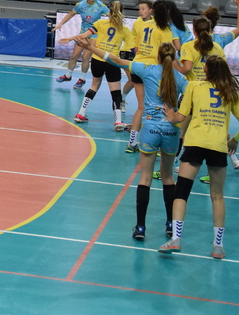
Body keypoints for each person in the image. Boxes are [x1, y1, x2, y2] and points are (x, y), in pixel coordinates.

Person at [76, 37, 187, 241]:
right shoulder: (181, 79)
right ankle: (170, 224)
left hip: (150, 129)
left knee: (145, 178)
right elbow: (189, 106)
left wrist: (91, 48)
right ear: (174, 58)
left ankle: (141, 227)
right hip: (171, 131)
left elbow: (116, 60)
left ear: (158, 56)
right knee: (168, 177)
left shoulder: (147, 69)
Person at [159, 56, 239, 259]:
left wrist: (171, 116)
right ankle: (218, 246)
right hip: (218, 147)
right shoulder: (230, 92)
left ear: (207, 70)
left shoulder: (193, 86)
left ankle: (176, 239)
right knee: (217, 197)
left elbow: (180, 118)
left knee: (181, 193)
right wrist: (234, 141)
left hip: (195, 145)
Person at [60, 0, 134, 129]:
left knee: (94, 86)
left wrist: (70, 38)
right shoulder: (125, 30)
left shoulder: (100, 23)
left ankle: (81, 114)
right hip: (112, 61)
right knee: (115, 92)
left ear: (109, 11)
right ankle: (118, 121)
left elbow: (84, 35)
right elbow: (130, 50)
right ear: (122, 12)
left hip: (97, 59)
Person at [200, 0, 239, 174]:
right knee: (218, 122)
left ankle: (182, 160)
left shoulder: (193, 41)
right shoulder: (220, 39)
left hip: (201, 87)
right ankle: (233, 157)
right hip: (217, 87)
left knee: (192, 125)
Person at [124, 0, 180, 154]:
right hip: (154, 70)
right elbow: (166, 54)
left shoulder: (144, 24)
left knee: (141, 107)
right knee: (161, 106)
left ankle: (132, 143)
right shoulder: (165, 30)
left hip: (138, 66)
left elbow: (136, 48)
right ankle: (160, 144)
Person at [55, 0, 108, 89]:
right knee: (74, 56)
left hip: (94, 35)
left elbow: (113, 16)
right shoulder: (81, 5)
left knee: (85, 57)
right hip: (83, 33)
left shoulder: (101, 6)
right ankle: (68, 75)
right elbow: (70, 14)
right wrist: (60, 24)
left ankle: (82, 79)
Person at [121, 0, 154, 111]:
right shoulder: (138, 23)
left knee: (145, 81)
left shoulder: (155, 22)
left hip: (143, 55)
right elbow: (134, 42)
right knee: (133, 80)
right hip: (129, 52)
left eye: (143, 9)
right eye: (139, 9)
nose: (140, 11)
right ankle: (122, 99)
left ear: (151, 10)